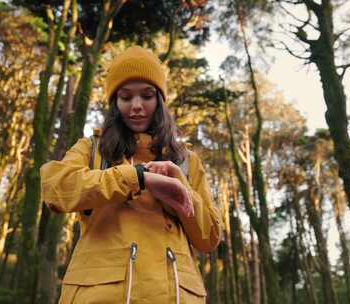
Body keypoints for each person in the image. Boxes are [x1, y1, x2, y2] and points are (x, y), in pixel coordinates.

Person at [40, 46, 221, 304]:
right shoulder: (92, 149)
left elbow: (210, 238)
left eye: (146, 95)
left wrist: (179, 190)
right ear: (115, 104)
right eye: (126, 97)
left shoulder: (186, 161)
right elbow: (55, 189)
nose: (136, 106)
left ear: (160, 99)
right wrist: (136, 177)